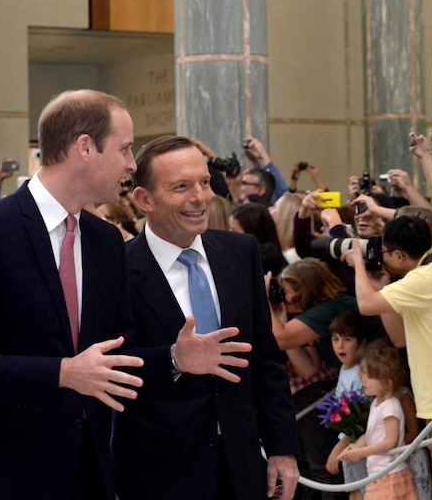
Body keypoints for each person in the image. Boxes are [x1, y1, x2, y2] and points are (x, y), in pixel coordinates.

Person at [0, 89, 144, 500]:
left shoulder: (105, 241)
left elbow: (118, 354)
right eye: (125, 149)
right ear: (85, 146)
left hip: (87, 472)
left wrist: (177, 357)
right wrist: (63, 373)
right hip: (4, 475)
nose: (132, 165)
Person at [113, 135, 299, 500]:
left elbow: (265, 358)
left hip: (241, 465)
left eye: (203, 182)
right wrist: (173, 359)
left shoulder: (240, 252)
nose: (200, 197)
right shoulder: (117, 269)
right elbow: (113, 369)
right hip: (158, 473)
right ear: (143, 199)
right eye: (181, 187)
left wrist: (282, 448)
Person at [344, 215, 432, 500]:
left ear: (399, 254)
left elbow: (365, 304)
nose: (380, 259)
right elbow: (399, 338)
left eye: (384, 254)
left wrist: (359, 263)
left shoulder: (423, 277)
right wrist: (381, 284)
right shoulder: (428, 275)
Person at [338, 345, 418, 500]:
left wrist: (361, 453)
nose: (363, 379)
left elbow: (390, 441)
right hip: (378, 474)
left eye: (370, 376)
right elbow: (371, 435)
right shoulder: (376, 403)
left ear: (388, 383)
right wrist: (354, 447)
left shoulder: (390, 405)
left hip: (390, 475)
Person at [324, 311, 368, 500]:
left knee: (363, 490)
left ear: (361, 342)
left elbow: (361, 420)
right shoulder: (345, 367)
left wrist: (339, 447)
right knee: (354, 492)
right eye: (335, 339)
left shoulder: (361, 374)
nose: (340, 346)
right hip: (347, 444)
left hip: (357, 445)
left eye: (347, 339)